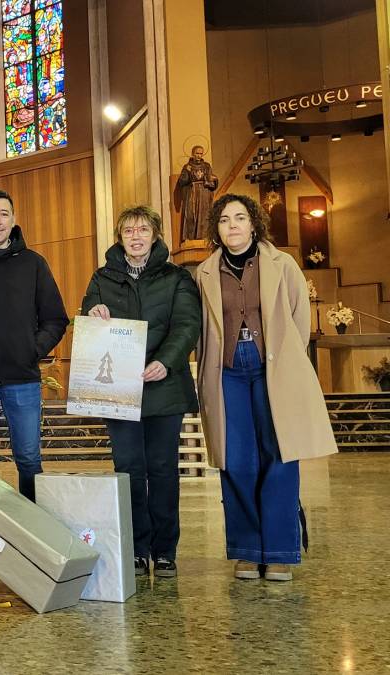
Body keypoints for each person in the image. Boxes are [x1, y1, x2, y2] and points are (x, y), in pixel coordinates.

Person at [195, 194, 337, 582]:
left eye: (240, 218)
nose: (233, 226)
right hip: (227, 371)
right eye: (224, 220)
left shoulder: (282, 264)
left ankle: (278, 552)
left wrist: (282, 356)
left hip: (272, 366)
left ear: (254, 224)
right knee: (236, 459)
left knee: (279, 454)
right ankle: (246, 550)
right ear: (217, 230)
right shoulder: (205, 271)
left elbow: (298, 317)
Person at [81, 205, 201, 578]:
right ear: (120, 237)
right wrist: (94, 310)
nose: (135, 236)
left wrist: (165, 360)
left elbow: (186, 324)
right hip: (118, 386)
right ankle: (136, 547)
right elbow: (88, 316)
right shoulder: (102, 277)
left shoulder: (176, 277)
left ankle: (165, 549)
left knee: (163, 469)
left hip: (163, 384)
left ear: (155, 235)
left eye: (143, 230)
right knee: (129, 469)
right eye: (128, 230)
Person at [0, 189, 69, 501]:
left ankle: (33, 534)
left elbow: (55, 319)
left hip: (22, 379)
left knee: (29, 459)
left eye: (3, 214)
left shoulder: (34, 264)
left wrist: (30, 350)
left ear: (14, 220)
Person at [175, 145, 219, 242]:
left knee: (204, 215)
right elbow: (182, 181)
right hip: (192, 193)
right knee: (191, 215)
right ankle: (190, 238)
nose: (199, 155)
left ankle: (204, 237)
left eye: (201, 153)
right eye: (197, 153)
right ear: (192, 154)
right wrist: (187, 171)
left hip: (204, 193)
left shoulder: (206, 166)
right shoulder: (188, 166)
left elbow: (211, 180)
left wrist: (212, 180)